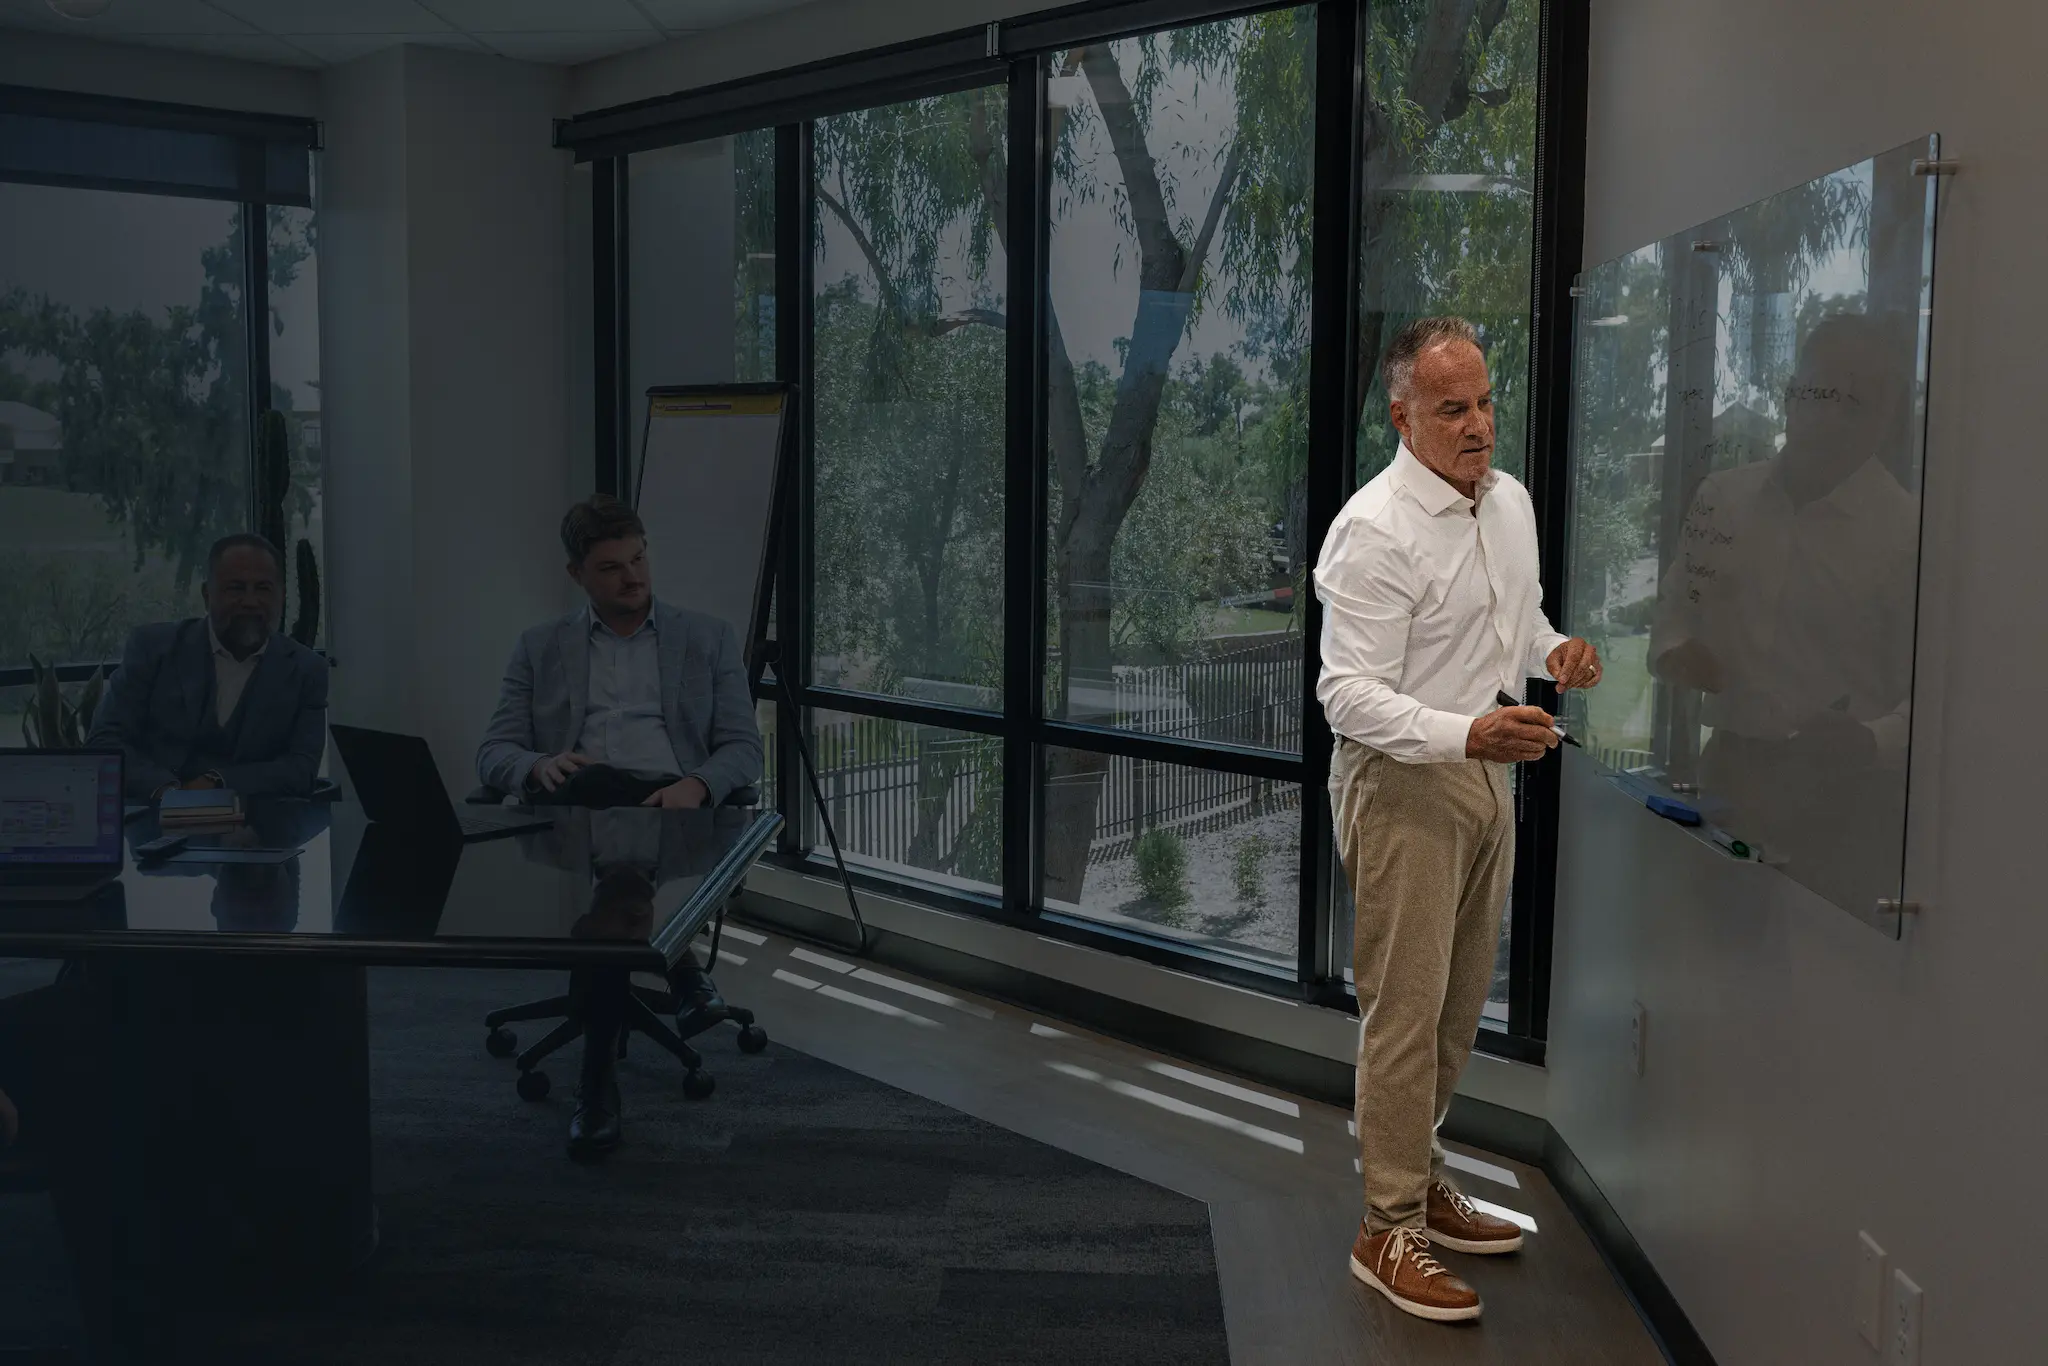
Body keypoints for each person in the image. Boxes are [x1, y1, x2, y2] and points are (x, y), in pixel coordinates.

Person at [1313, 316, 1601, 1322]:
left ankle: (1419, 1171)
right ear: (1401, 416)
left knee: (1454, 1004)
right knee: (1402, 1012)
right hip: (1400, 783)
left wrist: (1554, 648)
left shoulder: (1506, 503)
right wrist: (1464, 733)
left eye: (1483, 401)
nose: (1478, 424)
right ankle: (1383, 1224)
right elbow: (1344, 695)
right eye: (1451, 409)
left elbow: (1511, 624)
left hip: (1485, 778)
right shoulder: (1371, 530)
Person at [477, 494, 762, 1157]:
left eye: (639, 560)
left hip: (676, 812)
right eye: (612, 568)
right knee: (600, 798)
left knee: (618, 884)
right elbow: (493, 752)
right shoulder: (539, 646)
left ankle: (596, 1079)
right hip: (577, 815)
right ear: (576, 574)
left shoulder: (707, 637)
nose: (634, 578)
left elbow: (744, 751)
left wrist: (697, 783)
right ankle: (684, 972)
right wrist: (539, 765)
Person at [1649, 314, 1917, 914]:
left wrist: (1870, 741)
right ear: (1793, 394)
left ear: (1886, 419)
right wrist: (1678, 653)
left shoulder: (1910, 535)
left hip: (1843, 801)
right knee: (1706, 955)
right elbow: (1674, 618)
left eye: (1857, 403)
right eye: (1821, 393)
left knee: (1820, 974)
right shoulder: (1724, 498)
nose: (1831, 416)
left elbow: (1936, 698)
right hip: (1726, 774)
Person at [88, 533, 328, 801]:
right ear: (207, 595)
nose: (250, 601)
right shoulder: (152, 649)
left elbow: (301, 770)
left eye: (263, 588)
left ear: (281, 596)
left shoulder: (308, 671)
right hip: (155, 824)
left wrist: (216, 783)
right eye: (236, 588)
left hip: (257, 832)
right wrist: (169, 793)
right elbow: (105, 742)